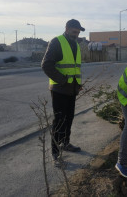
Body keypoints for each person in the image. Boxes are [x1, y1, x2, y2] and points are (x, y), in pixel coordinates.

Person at [41, 19, 85, 165]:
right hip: (60, 89)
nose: (76, 34)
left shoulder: (76, 45)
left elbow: (75, 68)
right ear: (66, 29)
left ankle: (65, 143)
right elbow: (46, 65)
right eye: (74, 32)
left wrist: (78, 84)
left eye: (78, 32)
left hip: (72, 89)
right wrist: (63, 80)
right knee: (59, 121)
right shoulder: (57, 42)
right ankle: (55, 153)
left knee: (69, 118)